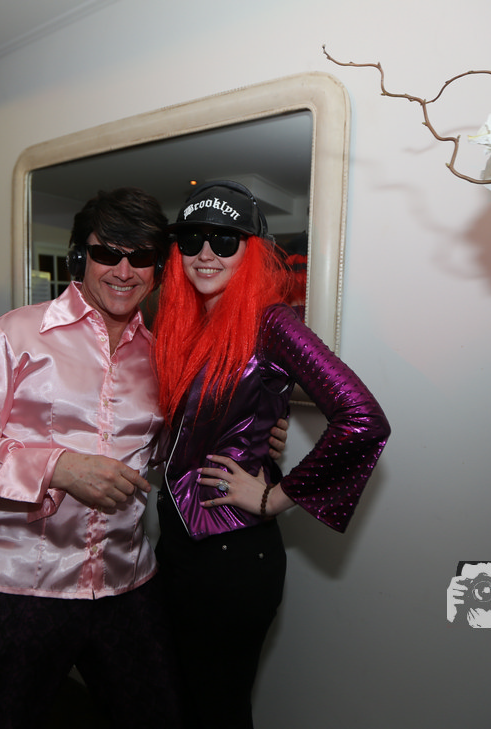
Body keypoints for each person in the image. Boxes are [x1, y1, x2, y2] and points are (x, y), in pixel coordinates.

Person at [0, 187, 286, 729]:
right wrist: (60, 467)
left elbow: (169, 449)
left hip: (127, 583)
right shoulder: (17, 333)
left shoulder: (164, 353)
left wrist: (252, 434)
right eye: (106, 253)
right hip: (20, 586)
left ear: (158, 269)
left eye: (140, 256)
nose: (123, 270)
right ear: (80, 256)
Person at [152, 180, 391, 729]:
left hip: (233, 556)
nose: (205, 253)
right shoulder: (187, 324)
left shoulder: (273, 322)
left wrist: (275, 496)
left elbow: (362, 417)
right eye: (191, 239)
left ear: (252, 250)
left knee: (218, 709)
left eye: (224, 239)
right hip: (177, 547)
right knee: (179, 698)